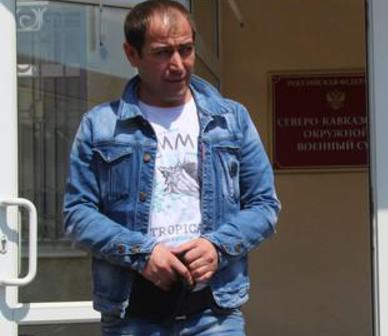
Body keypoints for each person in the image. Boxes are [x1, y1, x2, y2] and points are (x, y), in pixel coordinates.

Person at [63, 1, 280, 335]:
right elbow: (77, 214)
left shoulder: (231, 120)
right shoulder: (101, 127)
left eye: (186, 49)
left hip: (213, 313)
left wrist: (217, 247)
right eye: (162, 53)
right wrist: (143, 253)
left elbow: (264, 205)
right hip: (132, 313)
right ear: (132, 54)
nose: (178, 64)